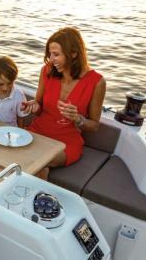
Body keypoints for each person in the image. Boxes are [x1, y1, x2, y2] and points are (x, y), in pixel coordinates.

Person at [23, 27, 106, 177]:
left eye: (56, 54)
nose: (51, 59)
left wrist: (78, 118)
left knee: (39, 161)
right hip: (37, 132)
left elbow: (94, 125)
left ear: (73, 53)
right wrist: (34, 107)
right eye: (49, 54)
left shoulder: (97, 82)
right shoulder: (46, 71)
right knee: (25, 159)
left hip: (66, 142)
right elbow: (39, 105)